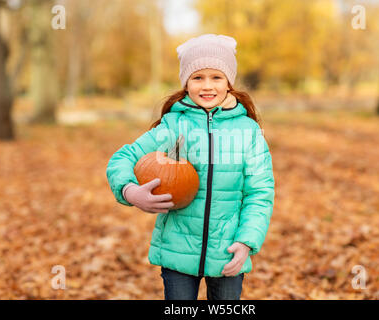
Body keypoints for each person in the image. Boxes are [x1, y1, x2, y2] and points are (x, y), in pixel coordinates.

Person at [106, 34, 275, 300]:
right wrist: (130, 192)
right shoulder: (173, 126)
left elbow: (259, 193)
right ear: (186, 82)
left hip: (228, 251)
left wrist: (247, 242)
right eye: (198, 78)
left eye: (216, 77)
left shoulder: (249, 132)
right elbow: (122, 158)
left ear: (229, 81)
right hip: (177, 252)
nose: (207, 86)